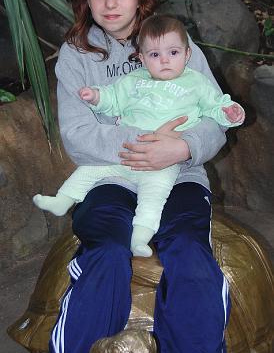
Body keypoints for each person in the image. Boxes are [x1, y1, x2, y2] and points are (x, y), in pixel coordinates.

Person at [35, 0, 247, 353]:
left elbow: (215, 118)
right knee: (105, 254)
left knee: (192, 259)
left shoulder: (175, 40)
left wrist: (181, 146)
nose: (110, 3)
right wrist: (144, 147)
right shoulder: (76, 55)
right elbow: (79, 134)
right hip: (109, 177)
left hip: (179, 176)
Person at [33, 15, 245, 258]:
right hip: (124, 157)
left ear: (187, 55)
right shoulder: (135, 80)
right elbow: (113, 98)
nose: (165, 60)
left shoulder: (196, 83)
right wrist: (96, 96)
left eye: (173, 53)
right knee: (89, 171)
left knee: (153, 197)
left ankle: (140, 237)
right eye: (155, 55)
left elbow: (215, 109)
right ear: (142, 59)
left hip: (164, 161)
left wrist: (229, 113)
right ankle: (62, 200)